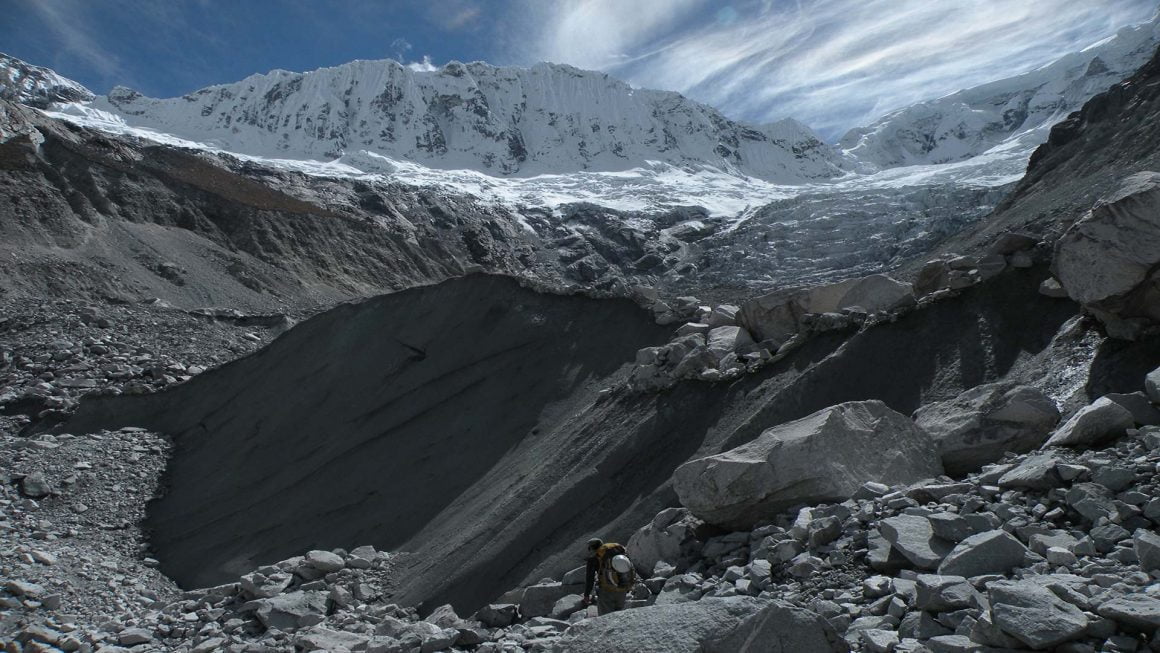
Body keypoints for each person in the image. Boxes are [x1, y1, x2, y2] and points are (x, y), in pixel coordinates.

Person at [581, 537, 635, 615]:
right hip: (622, 590)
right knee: (619, 616)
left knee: (605, 619)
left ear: (592, 548)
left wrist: (586, 595)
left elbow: (590, 579)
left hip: (606, 591)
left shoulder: (594, 558)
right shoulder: (618, 552)